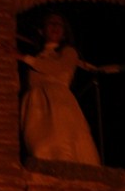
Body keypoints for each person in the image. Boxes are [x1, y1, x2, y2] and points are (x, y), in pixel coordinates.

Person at [17, 12, 101, 166]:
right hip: (35, 105)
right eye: (51, 23)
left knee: (61, 144)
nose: (55, 26)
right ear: (41, 30)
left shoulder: (68, 52)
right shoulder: (38, 57)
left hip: (58, 102)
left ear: (64, 33)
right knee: (39, 146)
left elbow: (57, 68)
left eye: (59, 24)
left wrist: (24, 58)